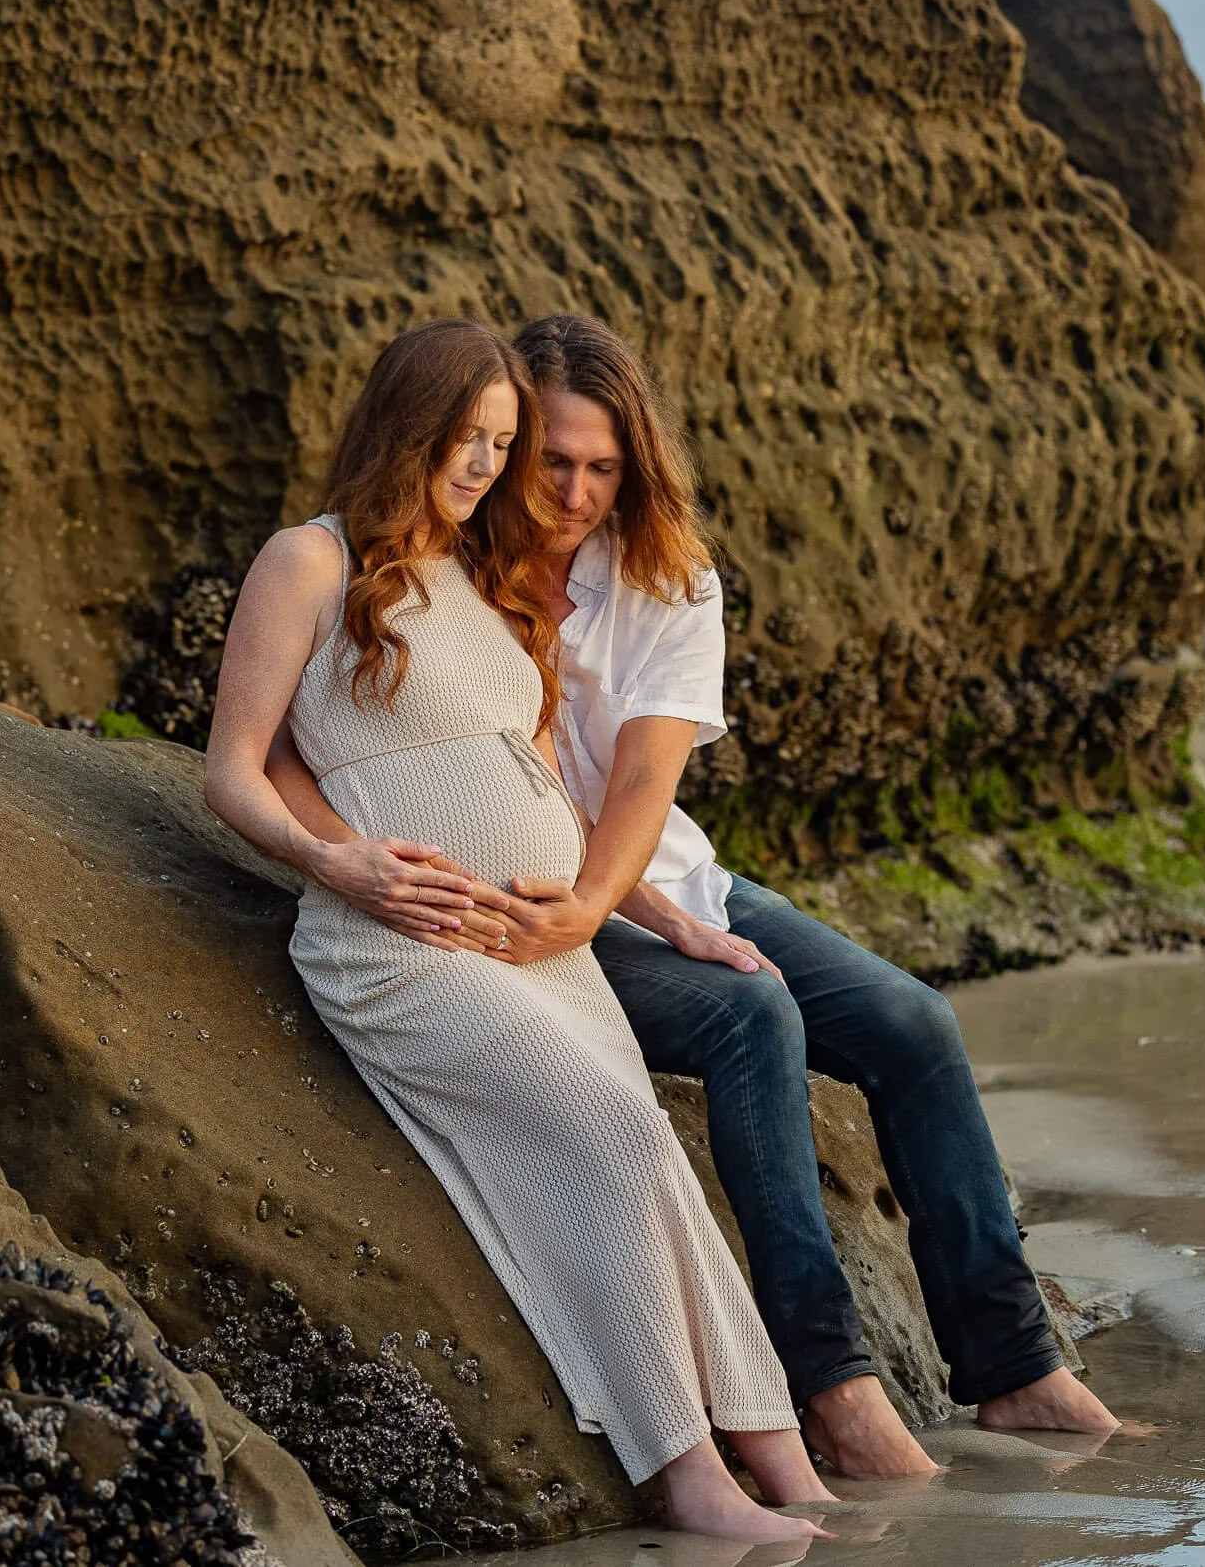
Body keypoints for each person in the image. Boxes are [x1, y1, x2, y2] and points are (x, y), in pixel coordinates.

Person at [269, 314, 1120, 1478]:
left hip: (657, 879)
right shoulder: (452, 553)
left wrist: (607, 904)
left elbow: (638, 784)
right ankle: (829, 1383)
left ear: (637, 465)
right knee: (748, 1017)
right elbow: (308, 712)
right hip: (529, 907)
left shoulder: (671, 581)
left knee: (915, 1023)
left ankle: (1016, 1366)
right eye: (551, 460)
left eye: (602, 466)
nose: (572, 490)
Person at [202, 318, 834, 1541]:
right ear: (408, 423)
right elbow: (235, 770)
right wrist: (342, 863)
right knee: (609, 1134)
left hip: (543, 945)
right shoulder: (309, 562)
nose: (489, 463)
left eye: (504, 441)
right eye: (470, 436)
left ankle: (786, 1458)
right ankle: (685, 1473)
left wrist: (653, 909)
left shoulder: (478, 573)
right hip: (400, 943)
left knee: (649, 1145)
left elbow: (546, 785)